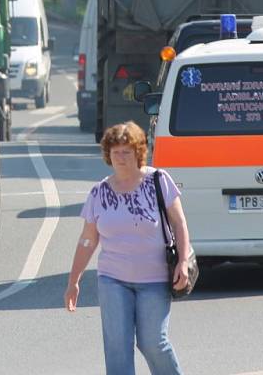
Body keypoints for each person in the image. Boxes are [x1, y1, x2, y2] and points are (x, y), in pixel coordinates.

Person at [64, 121, 189, 375]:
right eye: (115, 151)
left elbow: (179, 223)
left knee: (153, 342)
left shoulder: (158, 181)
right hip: (113, 281)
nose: (120, 157)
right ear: (107, 154)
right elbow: (88, 240)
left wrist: (183, 262)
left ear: (138, 153)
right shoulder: (99, 192)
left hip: (154, 280)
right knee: (117, 348)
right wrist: (73, 280)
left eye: (126, 152)